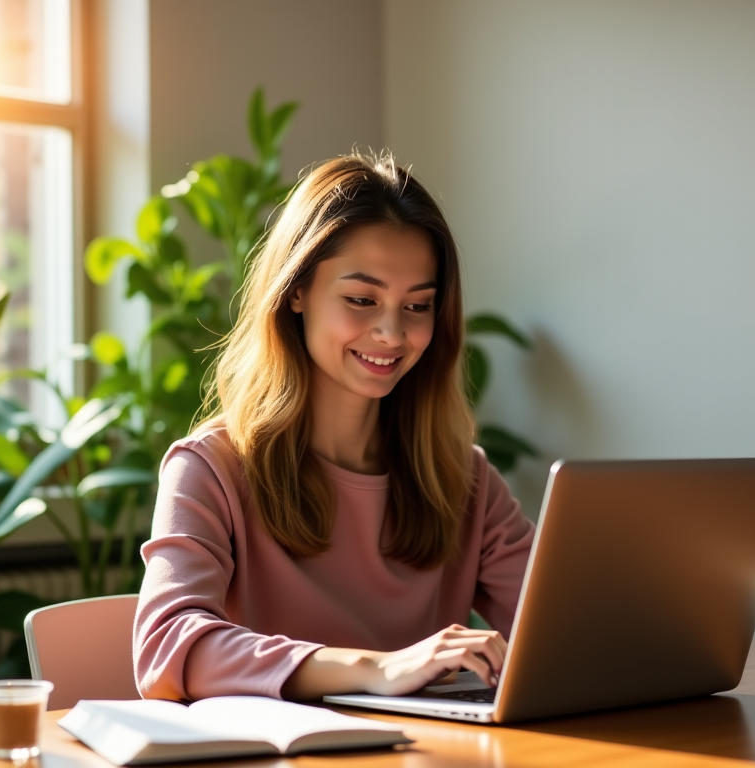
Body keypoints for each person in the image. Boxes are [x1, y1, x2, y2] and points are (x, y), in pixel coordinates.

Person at [133, 151, 536, 702]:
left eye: (417, 307)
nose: (392, 334)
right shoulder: (212, 467)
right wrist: (377, 669)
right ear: (296, 291)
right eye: (362, 300)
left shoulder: (464, 477)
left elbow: (563, 629)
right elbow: (166, 651)